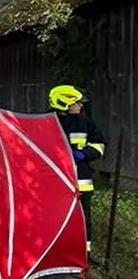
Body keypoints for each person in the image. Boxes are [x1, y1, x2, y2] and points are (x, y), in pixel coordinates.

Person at [49, 84, 105, 254]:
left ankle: (84, 253)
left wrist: (84, 154)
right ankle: (56, 251)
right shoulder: (48, 122)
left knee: (83, 217)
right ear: (64, 103)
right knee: (56, 216)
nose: (80, 105)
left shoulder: (86, 122)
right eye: (77, 102)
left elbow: (100, 145)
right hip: (56, 180)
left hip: (82, 180)